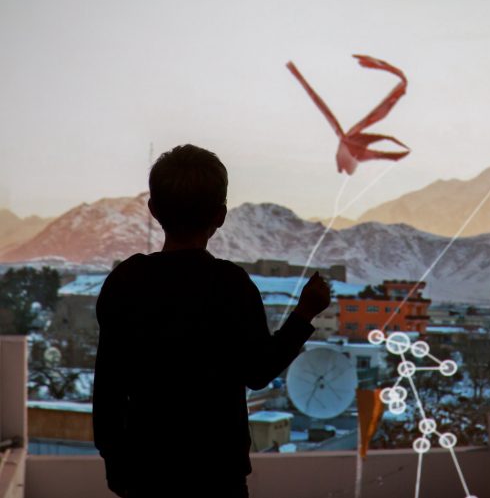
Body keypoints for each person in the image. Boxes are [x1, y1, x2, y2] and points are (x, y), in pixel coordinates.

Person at [92, 144, 331, 498]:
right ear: (220, 216)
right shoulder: (229, 284)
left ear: (154, 210)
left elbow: (108, 388)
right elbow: (259, 371)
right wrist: (305, 313)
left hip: (144, 474)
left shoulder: (126, 281)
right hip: (218, 476)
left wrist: (116, 463)